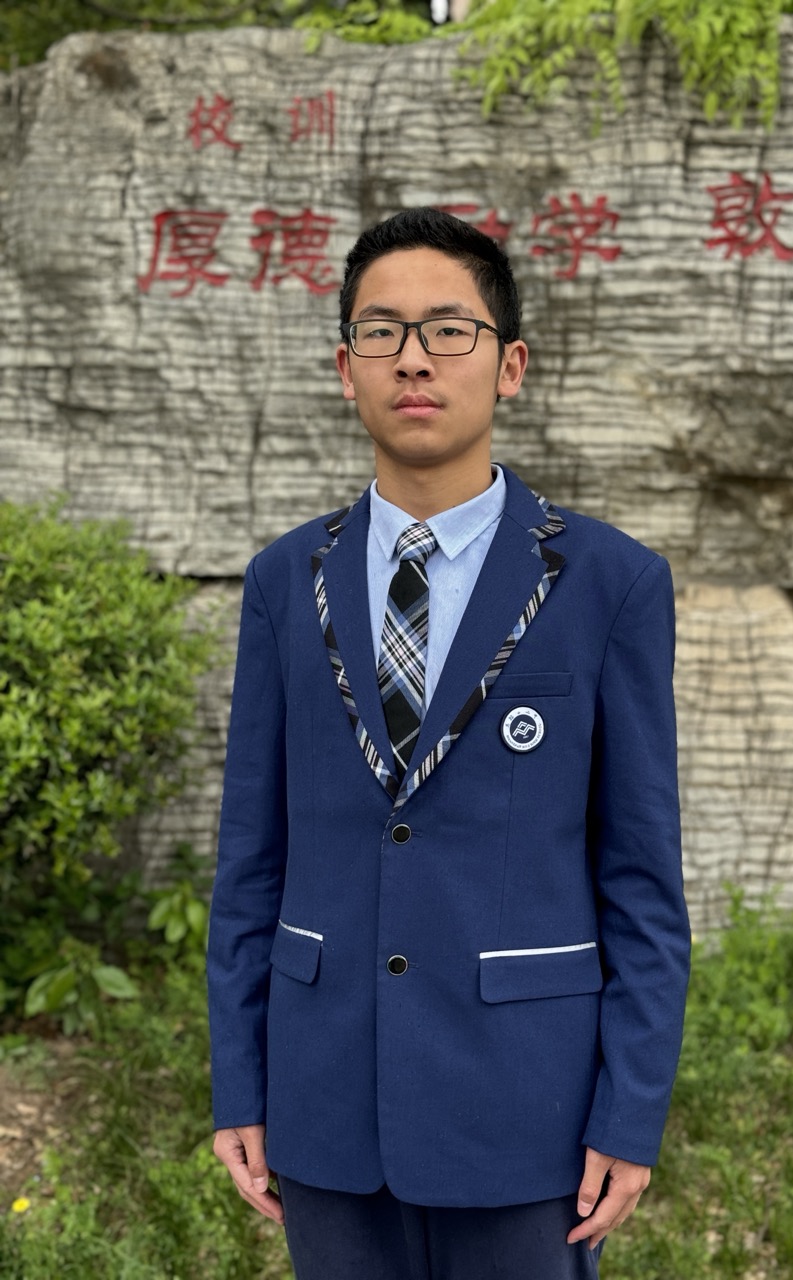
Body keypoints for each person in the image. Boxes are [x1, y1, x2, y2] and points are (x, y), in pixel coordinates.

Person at [207, 206, 690, 1280]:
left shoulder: (608, 583)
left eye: (448, 330)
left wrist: (630, 1108)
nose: (414, 358)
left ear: (510, 364)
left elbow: (642, 876)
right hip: (325, 1097)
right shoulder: (286, 581)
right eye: (381, 331)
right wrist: (240, 1081)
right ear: (346, 368)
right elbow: (250, 860)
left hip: (529, 1109)